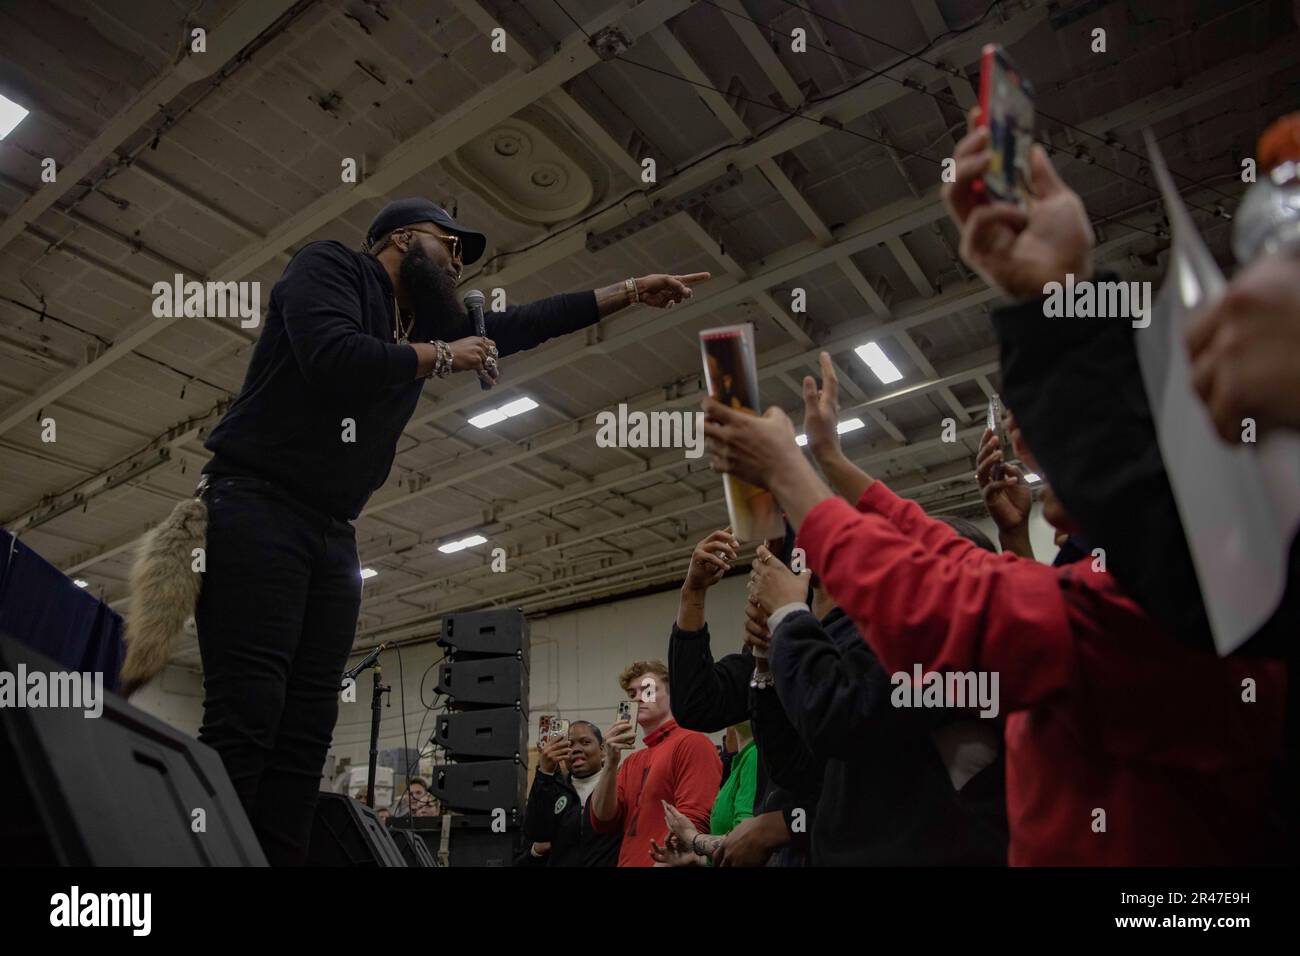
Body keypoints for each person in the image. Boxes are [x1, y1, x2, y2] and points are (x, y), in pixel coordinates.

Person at [183, 195, 709, 865]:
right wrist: (440, 356)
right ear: (401, 237)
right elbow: (331, 355)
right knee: (249, 714)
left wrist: (629, 291)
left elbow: (520, 324)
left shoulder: (419, 320)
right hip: (254, 505)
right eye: (449, 244)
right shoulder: (331, 267)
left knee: (305, 731)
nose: (458, 261)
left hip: (332, 530)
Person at [700, 353, 1288, 865]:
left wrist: (790, 480)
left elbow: (947, 591)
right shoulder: (1144, 572)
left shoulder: (1151, 599)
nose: (1028, 441)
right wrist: (828, 459)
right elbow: (949, 555)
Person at [750, 513, 1008, 866]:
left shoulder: (951, 657)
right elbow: (800, 769)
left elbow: (830, 713)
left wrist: (787, 614)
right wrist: (766, 662)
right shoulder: (889, 656)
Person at [588, 660, 722, 867]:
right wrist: (611, 763)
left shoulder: (693, 742)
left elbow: (692, 824)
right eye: (632, 694)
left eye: (648, 690)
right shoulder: (632, 760)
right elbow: (602, 821)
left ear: (672, 694)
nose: (639, 698)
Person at [521, 720, 620, 867]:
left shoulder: (619, 786)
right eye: (569, 745)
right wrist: (544, 773)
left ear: (602, 751)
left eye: (585, 742)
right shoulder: (554, 789)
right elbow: (535, 833)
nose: (576, 749)